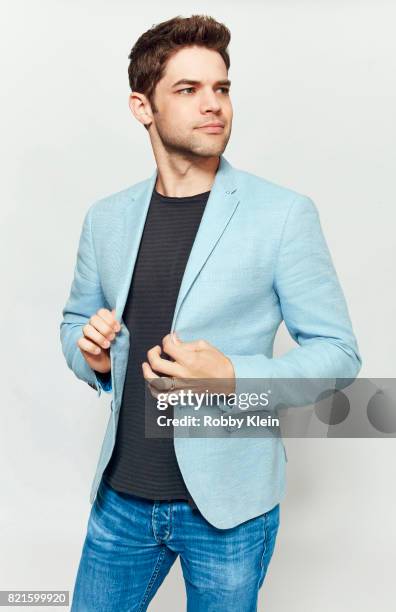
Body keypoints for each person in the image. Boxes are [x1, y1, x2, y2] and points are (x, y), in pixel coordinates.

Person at [60, 14, 362, 611]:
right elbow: (75, 325)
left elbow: (339, 355)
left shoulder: (282, 215)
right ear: (142, 107)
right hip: (120, 499)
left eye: (221, 89)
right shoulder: (107, 219)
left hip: (229, 510)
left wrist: (232, 377)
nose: (213, 105)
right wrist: (91, 355)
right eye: (188, 90)